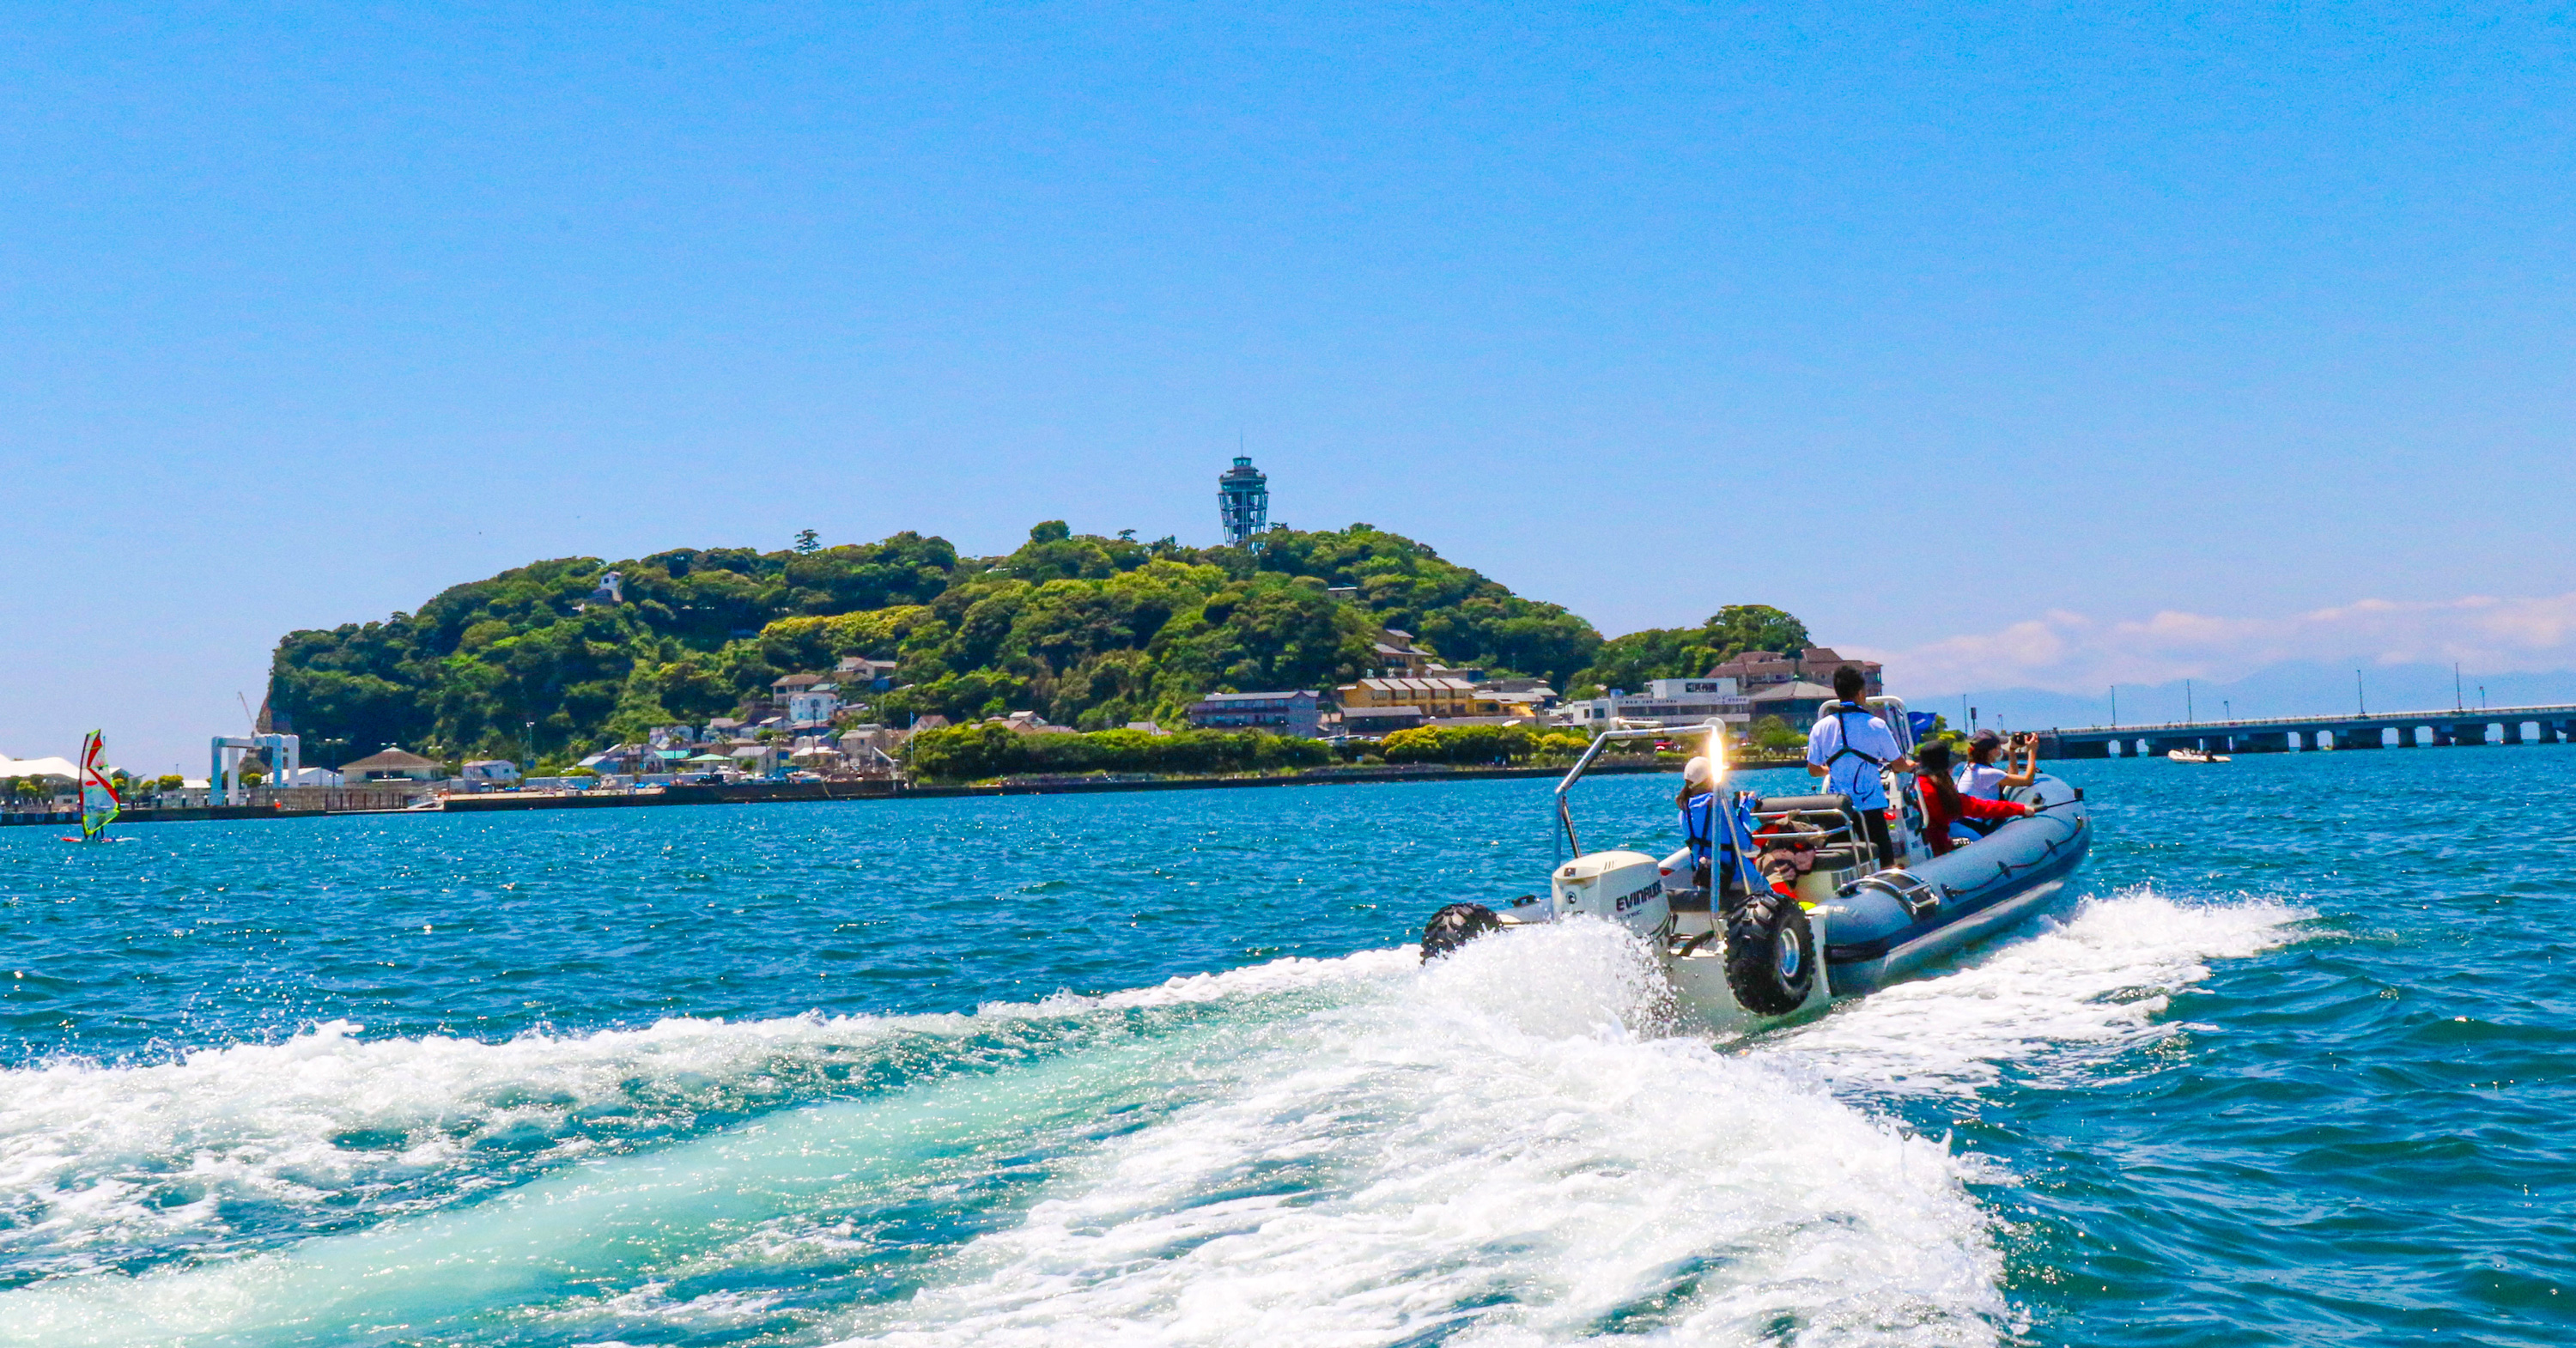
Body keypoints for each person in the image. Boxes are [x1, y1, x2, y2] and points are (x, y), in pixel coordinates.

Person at [1805, 665, 1911, 867]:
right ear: (1861, 693)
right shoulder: (1876, 724)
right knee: (1883, 858)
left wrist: (1830, 770)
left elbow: (1814, 770)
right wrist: (1910, 766)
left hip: (1837, 806)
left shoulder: (1820, 727)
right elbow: (1898, 764)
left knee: (1841, 859)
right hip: (1869, 804)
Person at [1912, 740, 2034, 855]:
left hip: (1930, 842)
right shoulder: (1937, 792)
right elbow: (1977, 807)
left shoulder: (1917, 785)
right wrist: (2021, 809)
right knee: (1987, 852)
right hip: (1938, 846)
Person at [1957, 729, 2038, 802]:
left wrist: (2012, 750)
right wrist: (2032, 751)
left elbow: (2013, 776)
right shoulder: (1986, 773)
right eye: (1999, 746)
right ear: (1991, 751)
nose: (2001, 749)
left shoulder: (1972, 767)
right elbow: (2028, 781)